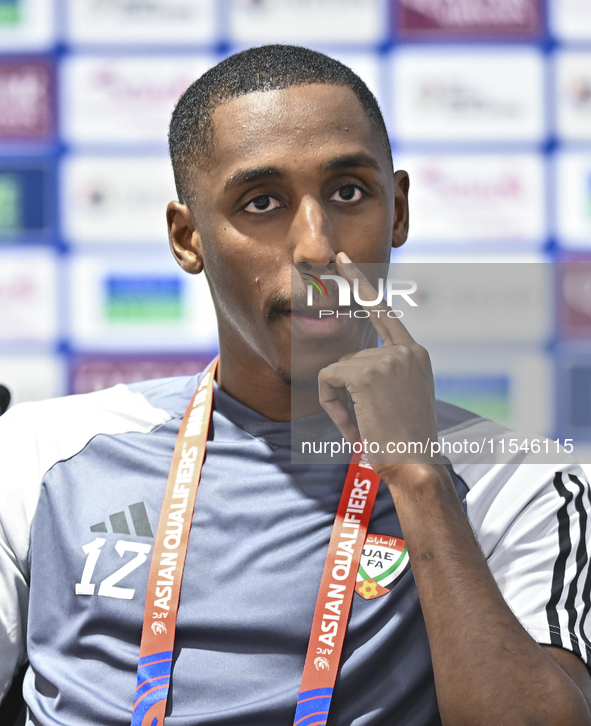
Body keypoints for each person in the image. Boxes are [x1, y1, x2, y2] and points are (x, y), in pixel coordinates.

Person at [1, 44, 590, 726]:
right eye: (261, 202)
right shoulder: (43, 454)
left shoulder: (519, 480)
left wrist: (417, 477)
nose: (315, 248)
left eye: (347, 193)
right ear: (187, 238)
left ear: (396, 210)